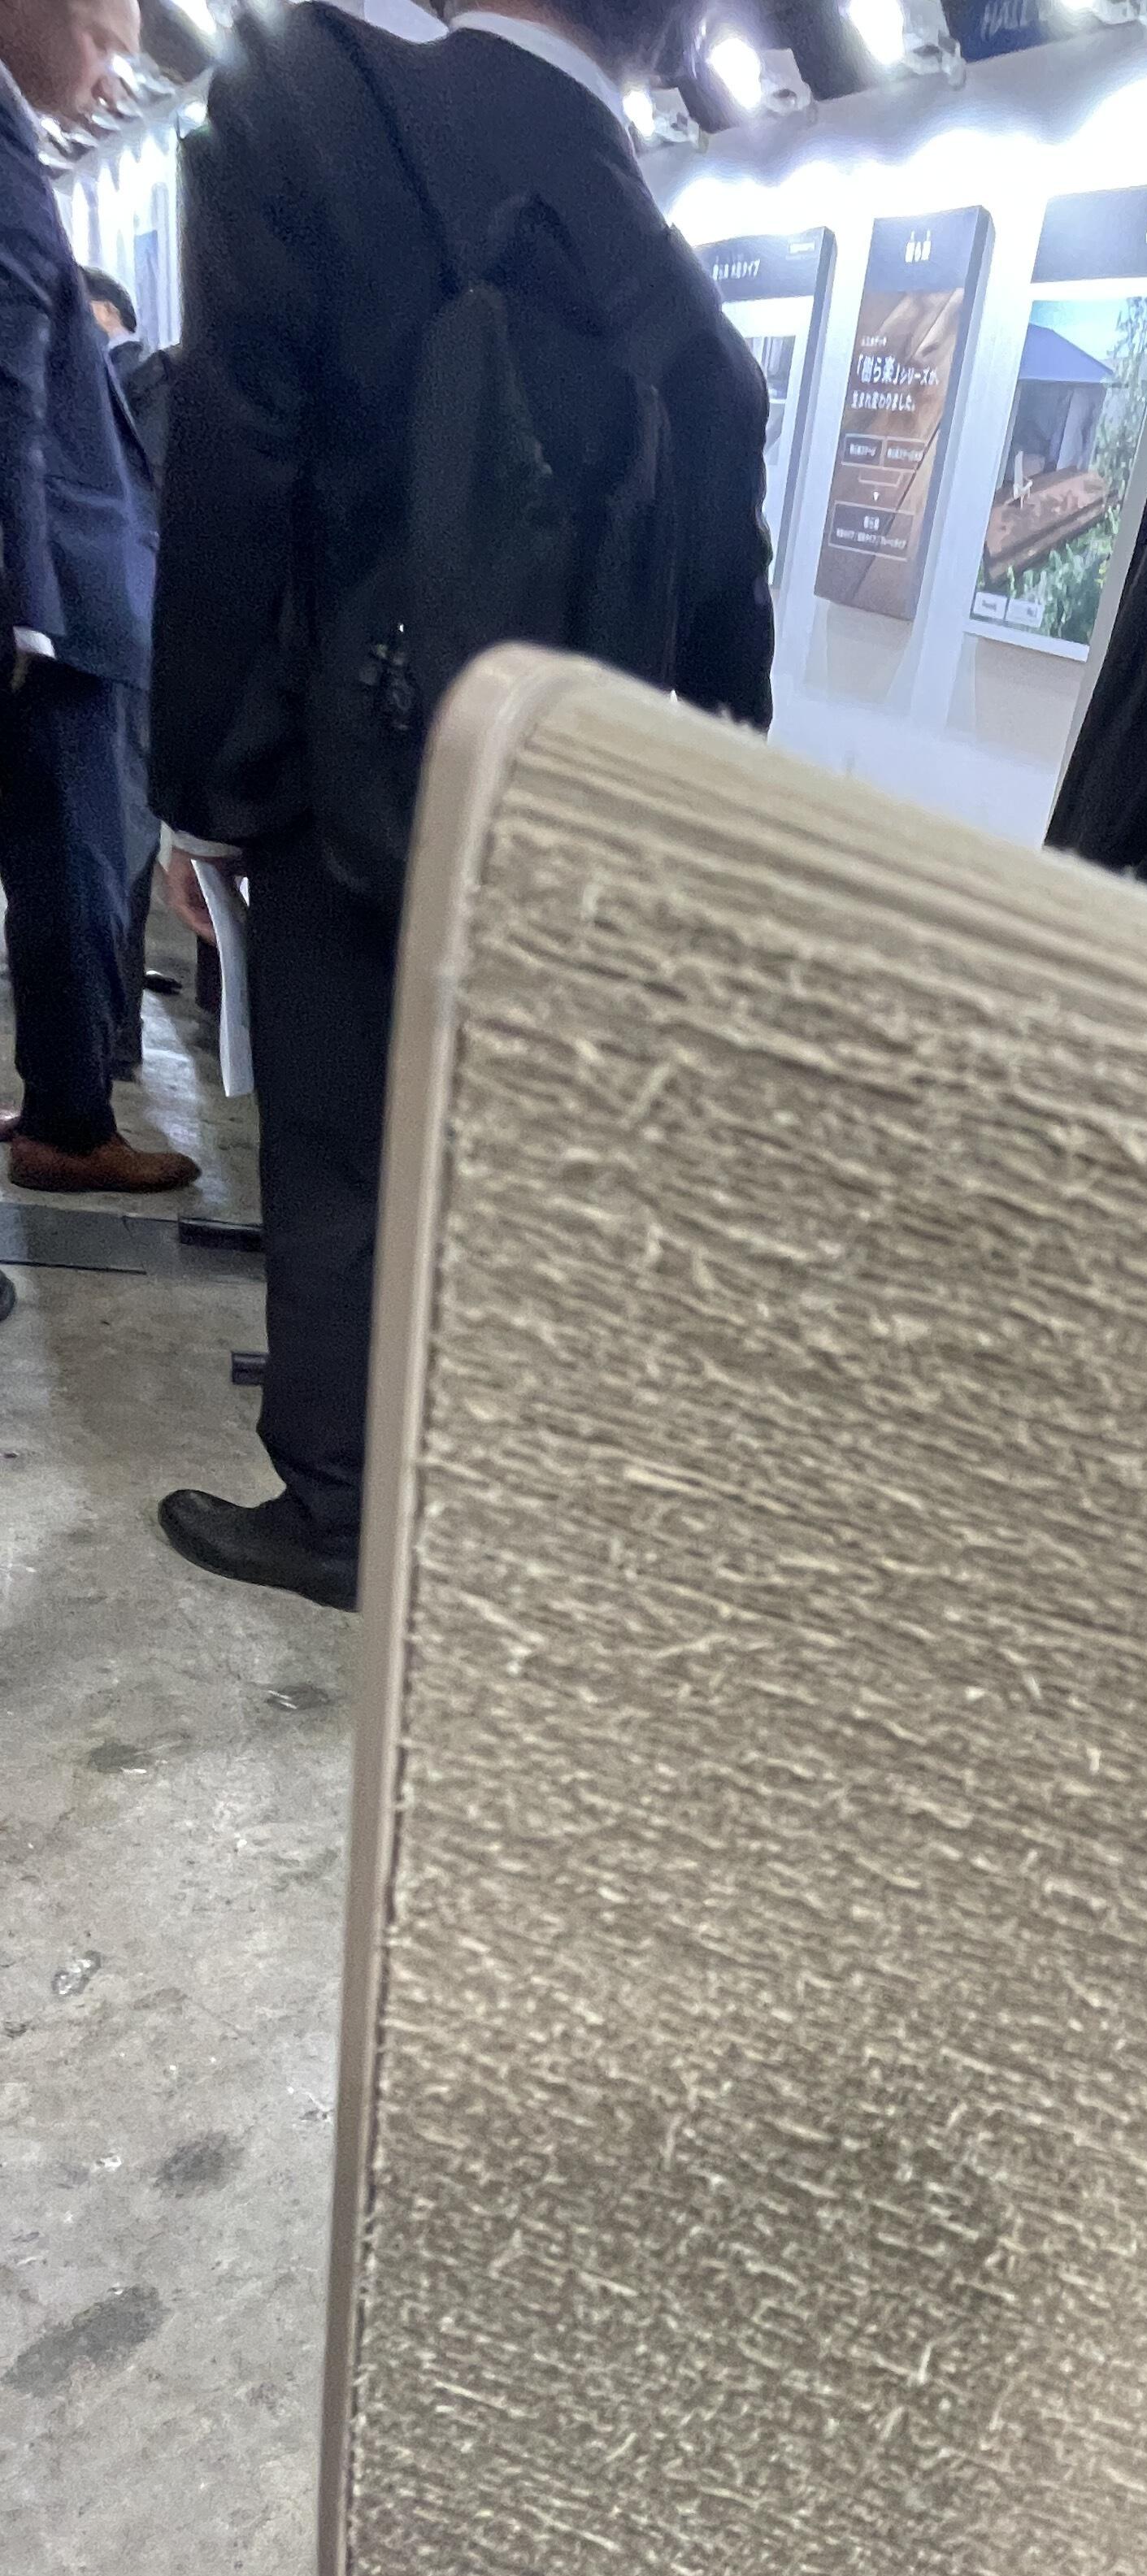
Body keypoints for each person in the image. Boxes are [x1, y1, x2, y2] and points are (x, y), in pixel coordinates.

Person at [152, 0, 775, 1610]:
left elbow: (232, 469)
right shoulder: (676, 295)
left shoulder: (309, 109)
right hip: (568, 815)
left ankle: (343, 1509)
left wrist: (201, 786)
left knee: (342, 1148)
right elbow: (727, 637)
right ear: (671, 33)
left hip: (347, 771)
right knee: (501, 1146)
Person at [0, 0, 195, 1196]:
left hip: (53, 592)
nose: (116, 78)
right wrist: (25, 606)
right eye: (104, 42)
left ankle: (55, 1106)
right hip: (59, 603)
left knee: (57, 869)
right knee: (76, 865)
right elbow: (11, 388)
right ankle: (70, 1126)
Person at [82, 265, 174, 1080]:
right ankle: (103, 1037)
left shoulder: (151, 385)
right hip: (111, 639)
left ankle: (108, 1037)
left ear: (107, 311)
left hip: (131, 642)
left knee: (117, 831)